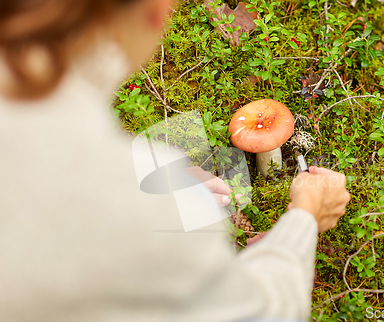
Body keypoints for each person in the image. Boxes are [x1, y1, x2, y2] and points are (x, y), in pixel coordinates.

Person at [0, 1, 351, 321]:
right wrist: (304, 218)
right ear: (154, 12)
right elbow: (260, 312)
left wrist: (145, 174)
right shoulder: (139, 209)